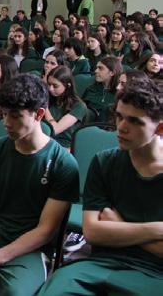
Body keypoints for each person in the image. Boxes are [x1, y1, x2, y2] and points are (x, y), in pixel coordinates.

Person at [0, 74, 79, 296]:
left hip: (30, 248)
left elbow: (45, 231)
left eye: (16, 116)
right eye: (4, 114)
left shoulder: (63, 164)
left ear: (39, 114)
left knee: (14, 292)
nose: (7, 123)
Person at [39, 79, 162, 296]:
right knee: (56, 288)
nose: (121, 127)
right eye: (120, 116)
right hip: (101, 264)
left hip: (155, 274)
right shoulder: (104, 161)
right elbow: (93, 233)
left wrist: (118, 225)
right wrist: (155, 230)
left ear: (159, 128)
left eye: (135, 121)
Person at [44, 66, 88, 147]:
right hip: (44, 140)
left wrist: (45, 107)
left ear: (68, 86)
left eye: (55, 86)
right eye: (49, 84)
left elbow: (55, 130)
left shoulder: (79, 106)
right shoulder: (49, 98)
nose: (50, 89)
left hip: (63, 145)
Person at [82, 57, 122, 123]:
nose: (96, 71)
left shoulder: (120, 94)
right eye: (97, 68)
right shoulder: (91, 89)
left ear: (112, 73)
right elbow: (81, 109)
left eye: (100, 68)